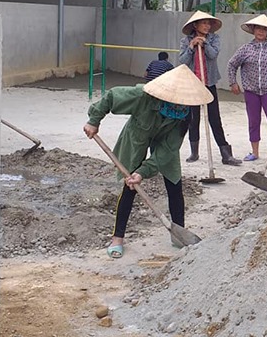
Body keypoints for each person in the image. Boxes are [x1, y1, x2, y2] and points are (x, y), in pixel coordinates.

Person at [83, 65, 213, 258]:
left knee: (175, 183)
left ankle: (179, 235)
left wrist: (144, 172)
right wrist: (94, 120)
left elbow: (167, 150)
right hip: (138, 136)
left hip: (165, 139)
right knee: (130, 186)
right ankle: (117, 238)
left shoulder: (184, 115)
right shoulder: (142, 96)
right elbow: (111, 97)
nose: (178, 105)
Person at [177, 11, 241, 166]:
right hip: (193, 83)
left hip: (209, 82)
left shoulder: (214, 39)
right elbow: (182, 61)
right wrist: (192, 47)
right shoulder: (186, 40)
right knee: (193, 118)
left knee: (214, 118)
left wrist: (204, 43)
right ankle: (194, 152)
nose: (207, 26)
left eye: (208, 23)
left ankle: (226, 154)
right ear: (195, 25)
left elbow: (213, 55)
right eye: (203, 23)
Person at [228, 14, 267, 165]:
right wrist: (233, 83)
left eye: (264, 29)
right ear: (253, 30)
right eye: (258, 28)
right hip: (251, 92)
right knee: (253, 122)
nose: (261, 31)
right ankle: (254, 152)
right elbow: (232, 64)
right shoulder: (246, 49)